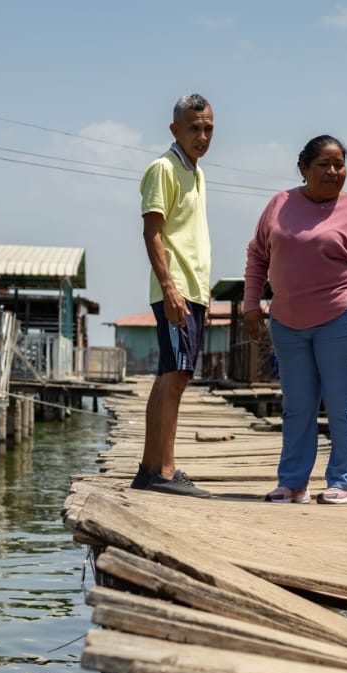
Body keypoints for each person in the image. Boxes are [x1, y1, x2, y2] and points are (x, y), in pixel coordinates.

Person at [242, 135, 347, 505]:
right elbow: (258, 256)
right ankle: (293, 483)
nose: (332, 171)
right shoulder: (280, 204)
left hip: (342, 319)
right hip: (288, 322)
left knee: (343, 405)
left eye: (339, 164)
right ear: (303, 169)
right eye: (323, 164)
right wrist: (250, 305)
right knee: (298, 407)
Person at [131, 93, 214, 498]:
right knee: (176, 378)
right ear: (174, 129)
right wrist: (170, 287)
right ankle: (165, 470)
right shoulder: (164, 168)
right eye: (194, 128)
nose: (202, 135)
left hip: (191, 289)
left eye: (208, 128)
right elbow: (152, 232)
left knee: (168, 376)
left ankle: (150, 469)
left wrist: (201, 288)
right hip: (175, 288)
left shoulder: (196, 173)